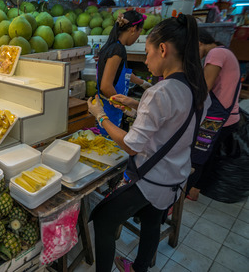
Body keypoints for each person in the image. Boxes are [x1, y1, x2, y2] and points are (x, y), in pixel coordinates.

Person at [88, 14, 209, 272]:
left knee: (102, 219)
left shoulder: (160, 92)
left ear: (163, 49)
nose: (145, 60)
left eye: (147, 52)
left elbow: (132, 144)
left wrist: (100, 117)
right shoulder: (197, 88)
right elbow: (174, 123)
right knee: (153, 222)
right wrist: (136, 104)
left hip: (150, 180)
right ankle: (139, 267)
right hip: (175, 178)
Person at [186, 28, 241, 201]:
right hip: (228, 116)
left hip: (218, 117)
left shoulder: (216, 53)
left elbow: (204, 88)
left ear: (199, 43)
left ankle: (184, 193)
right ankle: (195, 190)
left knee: (197, 155)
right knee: (207, 154)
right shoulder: (225, 52)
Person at [96, 10, 152, 135]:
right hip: (110, 108)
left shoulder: (112, 46)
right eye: (139, 32)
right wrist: (126, 108)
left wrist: (142, 83)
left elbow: (120, 72)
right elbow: (106, 86)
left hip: (110, 106)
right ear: (133, 29)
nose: (138, 36)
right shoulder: (117, 50)